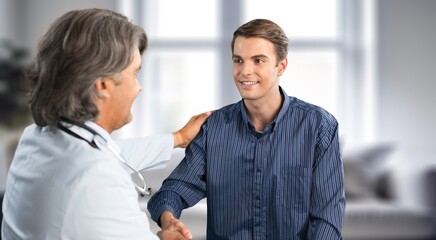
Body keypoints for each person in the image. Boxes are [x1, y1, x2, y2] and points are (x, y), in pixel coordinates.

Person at [1, 8, 207, 240]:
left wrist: (178, 138)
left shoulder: (39, 138)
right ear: (103, 86)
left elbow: (113, 153)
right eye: (134, 74)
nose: (139, 88)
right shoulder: (96, 180)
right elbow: (100, 167)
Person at [148, 18, 346, 239]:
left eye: (258, 60)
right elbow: (173, 191)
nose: (245, 71)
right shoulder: (214, 128)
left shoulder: (319, 126)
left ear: (281, 66)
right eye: (238, 60)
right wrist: (169, 220)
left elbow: (327, 220)